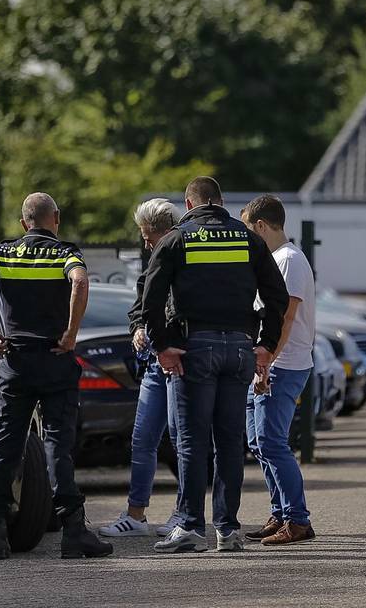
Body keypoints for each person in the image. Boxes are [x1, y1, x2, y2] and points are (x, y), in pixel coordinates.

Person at [0, 192, 113, 560]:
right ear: (55, 218)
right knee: (58, 445)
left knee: (6, 445)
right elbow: (80, 281)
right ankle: (73, 532)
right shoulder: (65, 254)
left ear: (23, 222)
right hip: (55, 359)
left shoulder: (4, 254)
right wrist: (72, 333)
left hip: (16, 362)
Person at [141, 177, 289, 553]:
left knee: (191, 443)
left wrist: (163, 347)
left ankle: (191, 526)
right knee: (229, 444)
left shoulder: (176, 239)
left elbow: (150, 301)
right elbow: (278, 297)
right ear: (221, 202)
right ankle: (227, 529)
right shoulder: (249, 240)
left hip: (195, 349)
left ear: (189, 205)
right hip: (240, 349)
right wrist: (267, 346)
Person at [98, 198, 185, 538]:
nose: (145, 242)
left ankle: (183, 513)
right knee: (142, 438)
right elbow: (140, 304)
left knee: (182, 441)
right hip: (153, 362)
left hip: (178, 359)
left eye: (148, 235)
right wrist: (138, 327)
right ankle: (136, 514)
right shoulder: (152, 260)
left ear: (165, 230)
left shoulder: (183, 254)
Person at [241, 194, 317, 546]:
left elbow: (285, 317)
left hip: (282, 365)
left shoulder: (288, 260)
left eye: (248, 230)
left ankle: (297, 520)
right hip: (271, 364)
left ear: (261, 225)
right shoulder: (277, 259)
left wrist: (266, 361)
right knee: (260, 442)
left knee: (272, 442)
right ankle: (282, 512)